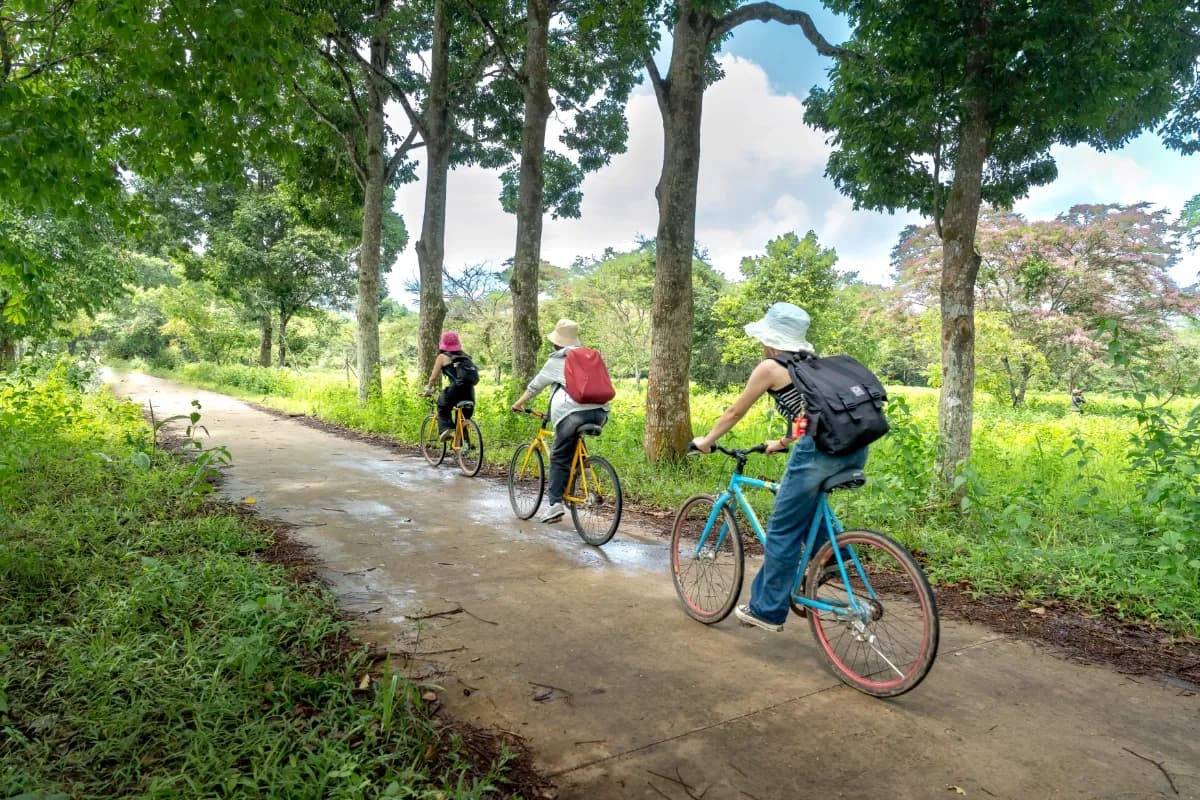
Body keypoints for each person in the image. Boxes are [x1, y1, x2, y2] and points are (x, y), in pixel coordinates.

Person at [690, 302, 869, 633]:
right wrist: (784, 441)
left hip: (818, 452)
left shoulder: (770, 367)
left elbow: (734, 412)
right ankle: (834, 557)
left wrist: (706, 440)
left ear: (769, 337)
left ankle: (766, 610)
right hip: (854, 449)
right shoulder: (813, 364)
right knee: (809, 507)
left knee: (782, 530)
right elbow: (815, 412)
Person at [511, 319, 610, 524]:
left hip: (572, 416)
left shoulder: (558, 360)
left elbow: (534, 387)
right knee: (573, 451)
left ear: (557, 342)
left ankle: (555, 504)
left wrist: (518, 404)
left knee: (558, 456)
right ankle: (588, 485)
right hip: (600, 413)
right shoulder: (590, 357)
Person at [422, 331, 475, 442]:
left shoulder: (442, 357)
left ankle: (446, 428)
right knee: (463, 420)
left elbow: (433, 378)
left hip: (454, 391)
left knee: (442, 406)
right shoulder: (466, 356)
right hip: (470, 392)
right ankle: (463, 447)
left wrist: (428, 389)